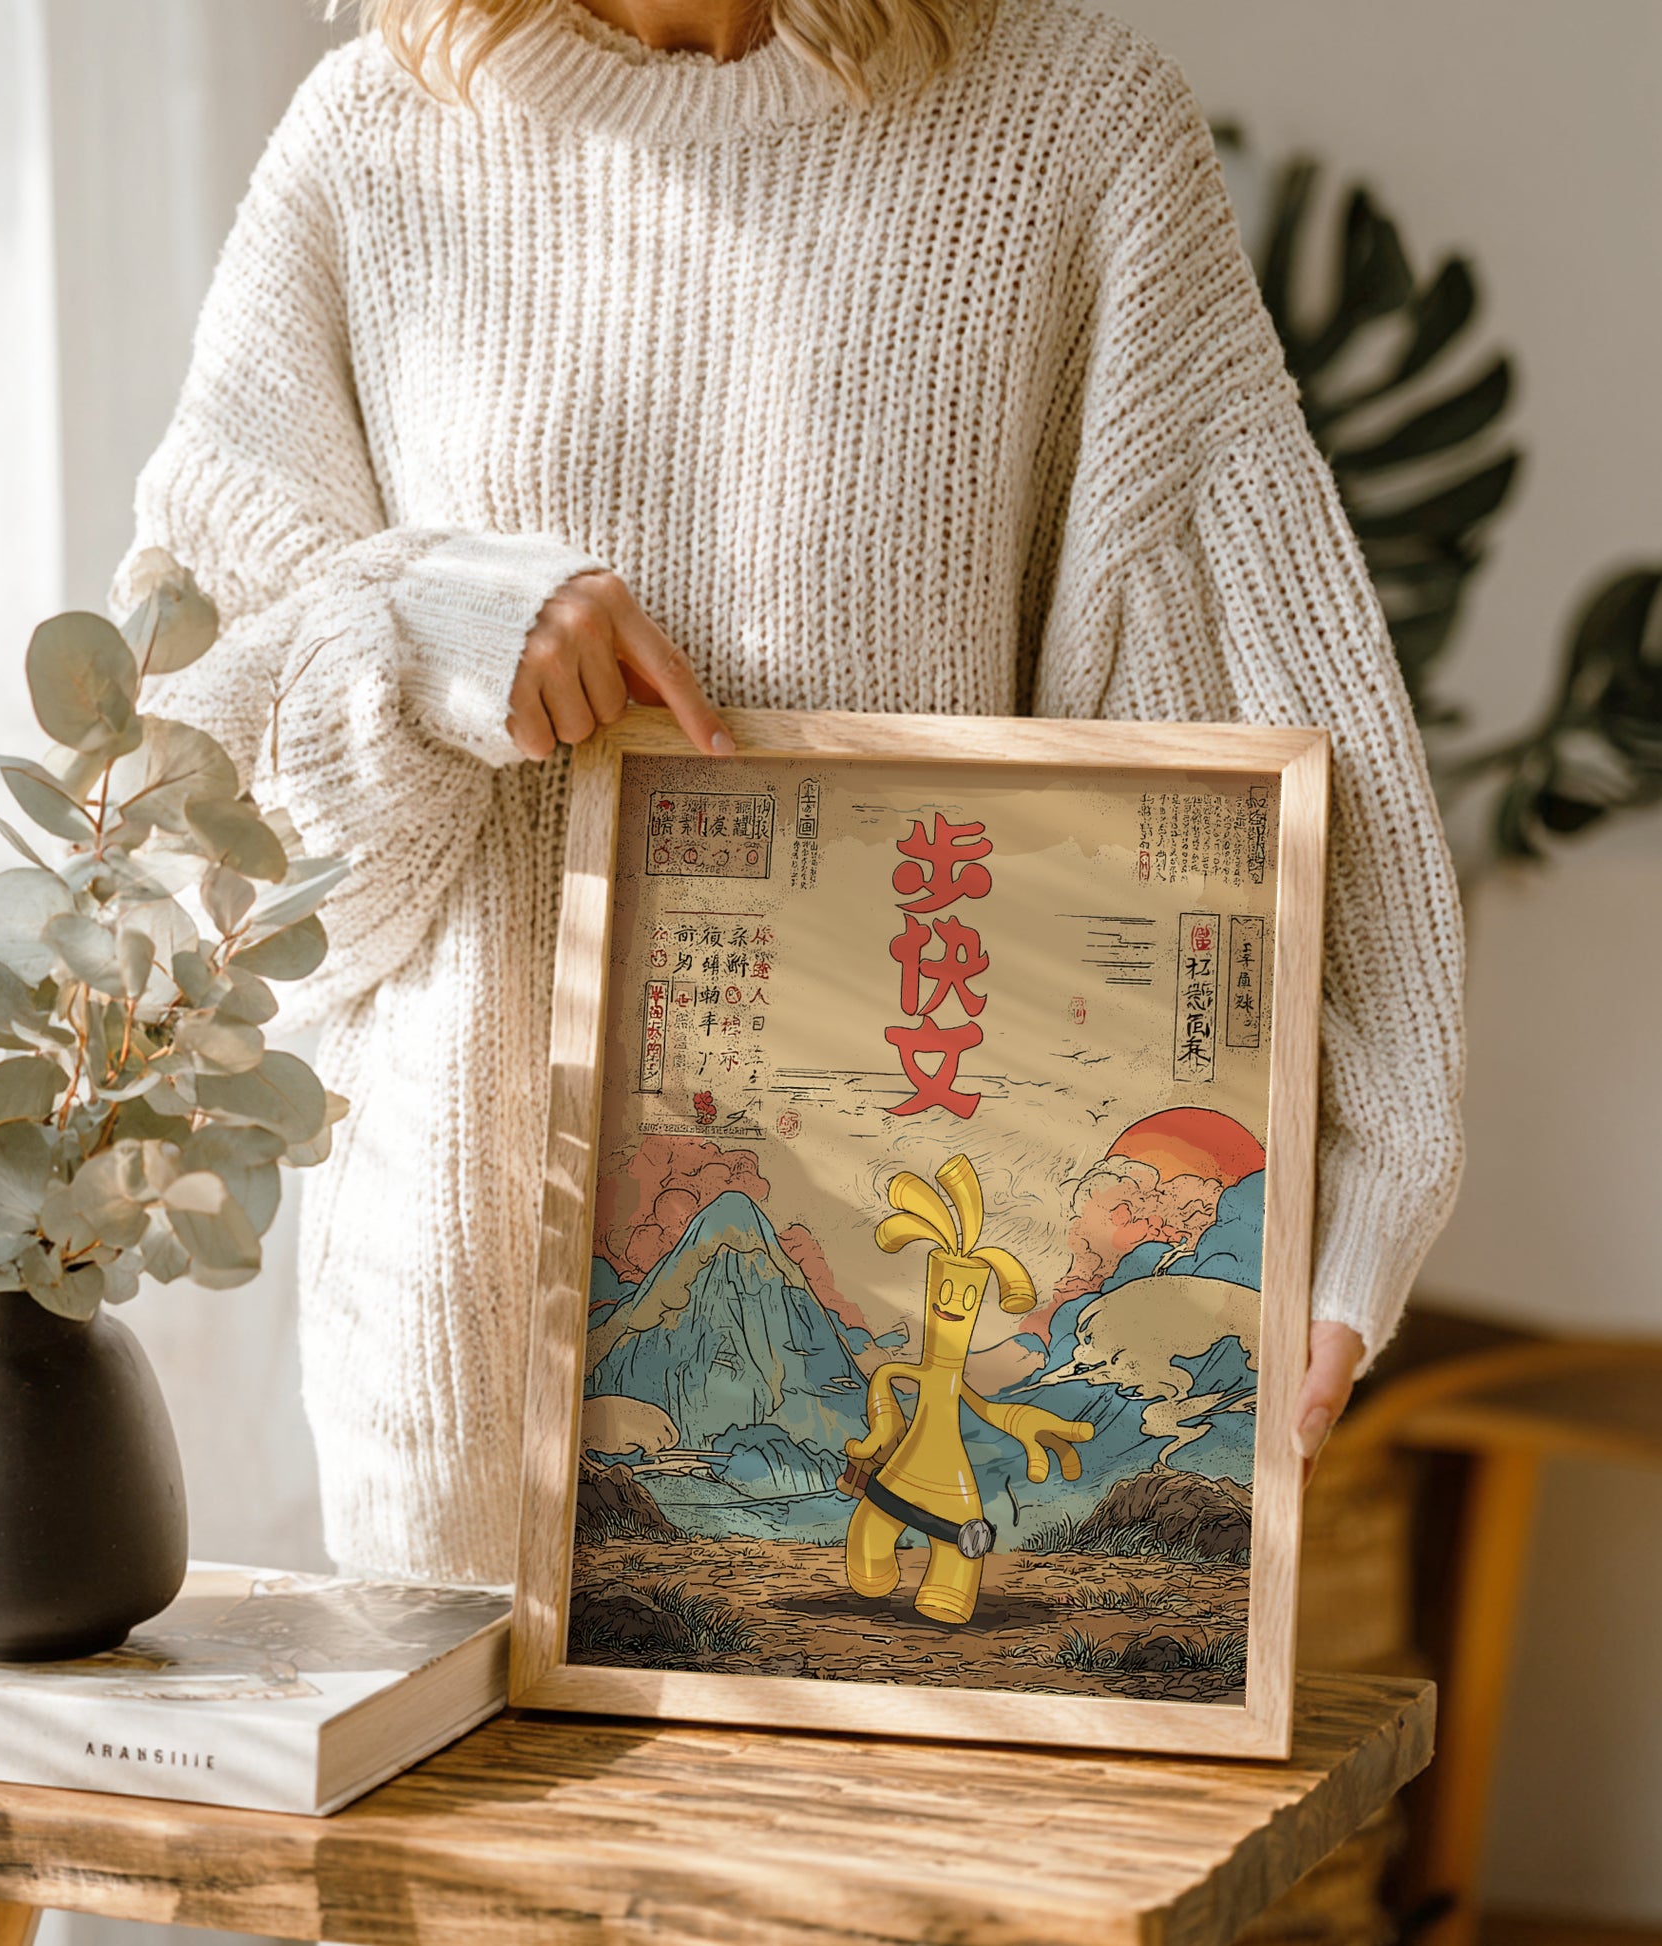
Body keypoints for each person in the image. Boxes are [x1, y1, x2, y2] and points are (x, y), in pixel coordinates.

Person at [112, 0, 1465, 1587]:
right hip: (459, 1346)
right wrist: (429, 624)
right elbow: (186, 822)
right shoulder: (371, 141)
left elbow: (1246, 698)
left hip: (927, 1308)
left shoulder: (1069, 128)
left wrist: (1351, 1182)